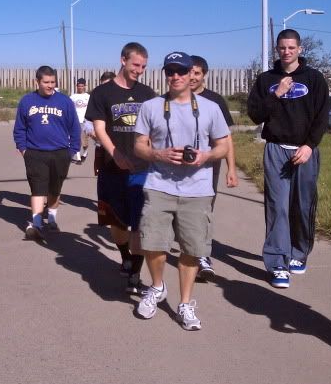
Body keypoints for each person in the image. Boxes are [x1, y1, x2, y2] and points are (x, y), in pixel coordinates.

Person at [133, 51, 230, 330]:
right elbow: (138, 145)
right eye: (170, 72)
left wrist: (205, 156)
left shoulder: (211, 108)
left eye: (181, 71)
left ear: (191, 73)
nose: (175, 76)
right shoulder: (151, 107)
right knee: (152, 242)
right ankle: (157, 286)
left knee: (192, 247)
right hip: (159, 184)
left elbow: (223, 145)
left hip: (197, 189)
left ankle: (185, 303)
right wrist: (159, 154)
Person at [247, 29, 330, 289]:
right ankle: (277, 263)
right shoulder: (266, 80)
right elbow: (255, 115)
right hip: (276, 149)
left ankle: (298, 252)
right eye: (282, 48)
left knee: (302, 206)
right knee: (278, 206)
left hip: (305, 151)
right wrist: (277, 94)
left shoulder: (314, 79)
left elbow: (322, 116)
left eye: (291, 47)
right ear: (277, 49)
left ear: (300, 49)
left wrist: (309, 145)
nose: (287, 52)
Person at [85, 43, 156, 293]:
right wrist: (115, 153)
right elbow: (99, 129)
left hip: (142, 169)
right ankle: (125, 255)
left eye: (144, 67)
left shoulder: (148, 94)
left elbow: (155, 129)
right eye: (136, 65)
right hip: (112, 168)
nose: (139, 70)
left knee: (140, 223)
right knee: (117, 224)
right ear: (123, 60)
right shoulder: (102, 93)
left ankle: (135, 274)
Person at [13, 66, 80, 239]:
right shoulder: (27, 101)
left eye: (53, 82)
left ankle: (51, 219)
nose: (50, 86)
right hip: (35, 153)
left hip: (60, 152)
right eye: (46, 82)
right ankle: (36, 224)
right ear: (37, 81)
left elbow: (74, 128)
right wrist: (23, 149)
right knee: (37, 188)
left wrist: (72, 151)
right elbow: (20, 128)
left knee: (54, 189)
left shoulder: (64, 101)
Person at [189, 55, 238, 279]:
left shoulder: (215, 101)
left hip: (208, 166)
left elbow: (226, 138)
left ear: (204, 75)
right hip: (177, 167)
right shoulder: (174, 98)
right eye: (189, 72)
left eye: (197, 73)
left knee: (204, 211)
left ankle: (202, 256)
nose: (192, 77)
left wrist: (231, 168)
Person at [92, 71, 116, 176]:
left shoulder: (122, 99)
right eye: (103, 86)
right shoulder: (97, 99)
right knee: (103, 177)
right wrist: (91, 131)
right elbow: (88, 121)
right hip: (101, 146)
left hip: (120, 147)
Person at [69, 78, 90, 164]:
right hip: (75, 121)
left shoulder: (88, 97)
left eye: (82, 86)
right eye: (79, 86)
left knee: (84, 141)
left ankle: (85, 153)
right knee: (76, 139)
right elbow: (69, 108)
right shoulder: (72, 97)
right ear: (76, 86)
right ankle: (78, 158)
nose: (80, 87)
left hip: (85, 121)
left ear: (85, 86)